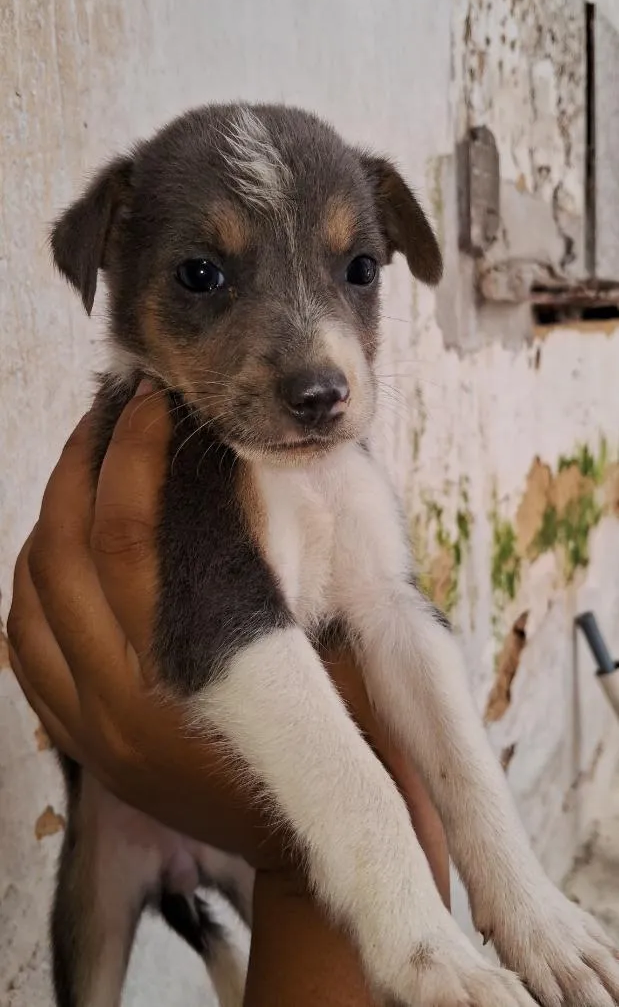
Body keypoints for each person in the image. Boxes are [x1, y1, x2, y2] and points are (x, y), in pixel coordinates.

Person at [7, 385, 450, 1006]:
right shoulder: (186, 431)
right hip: (111, 794)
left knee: (389, 931)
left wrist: (296, 863)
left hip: (252, 787)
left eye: (360, 276)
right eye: (203, 278)